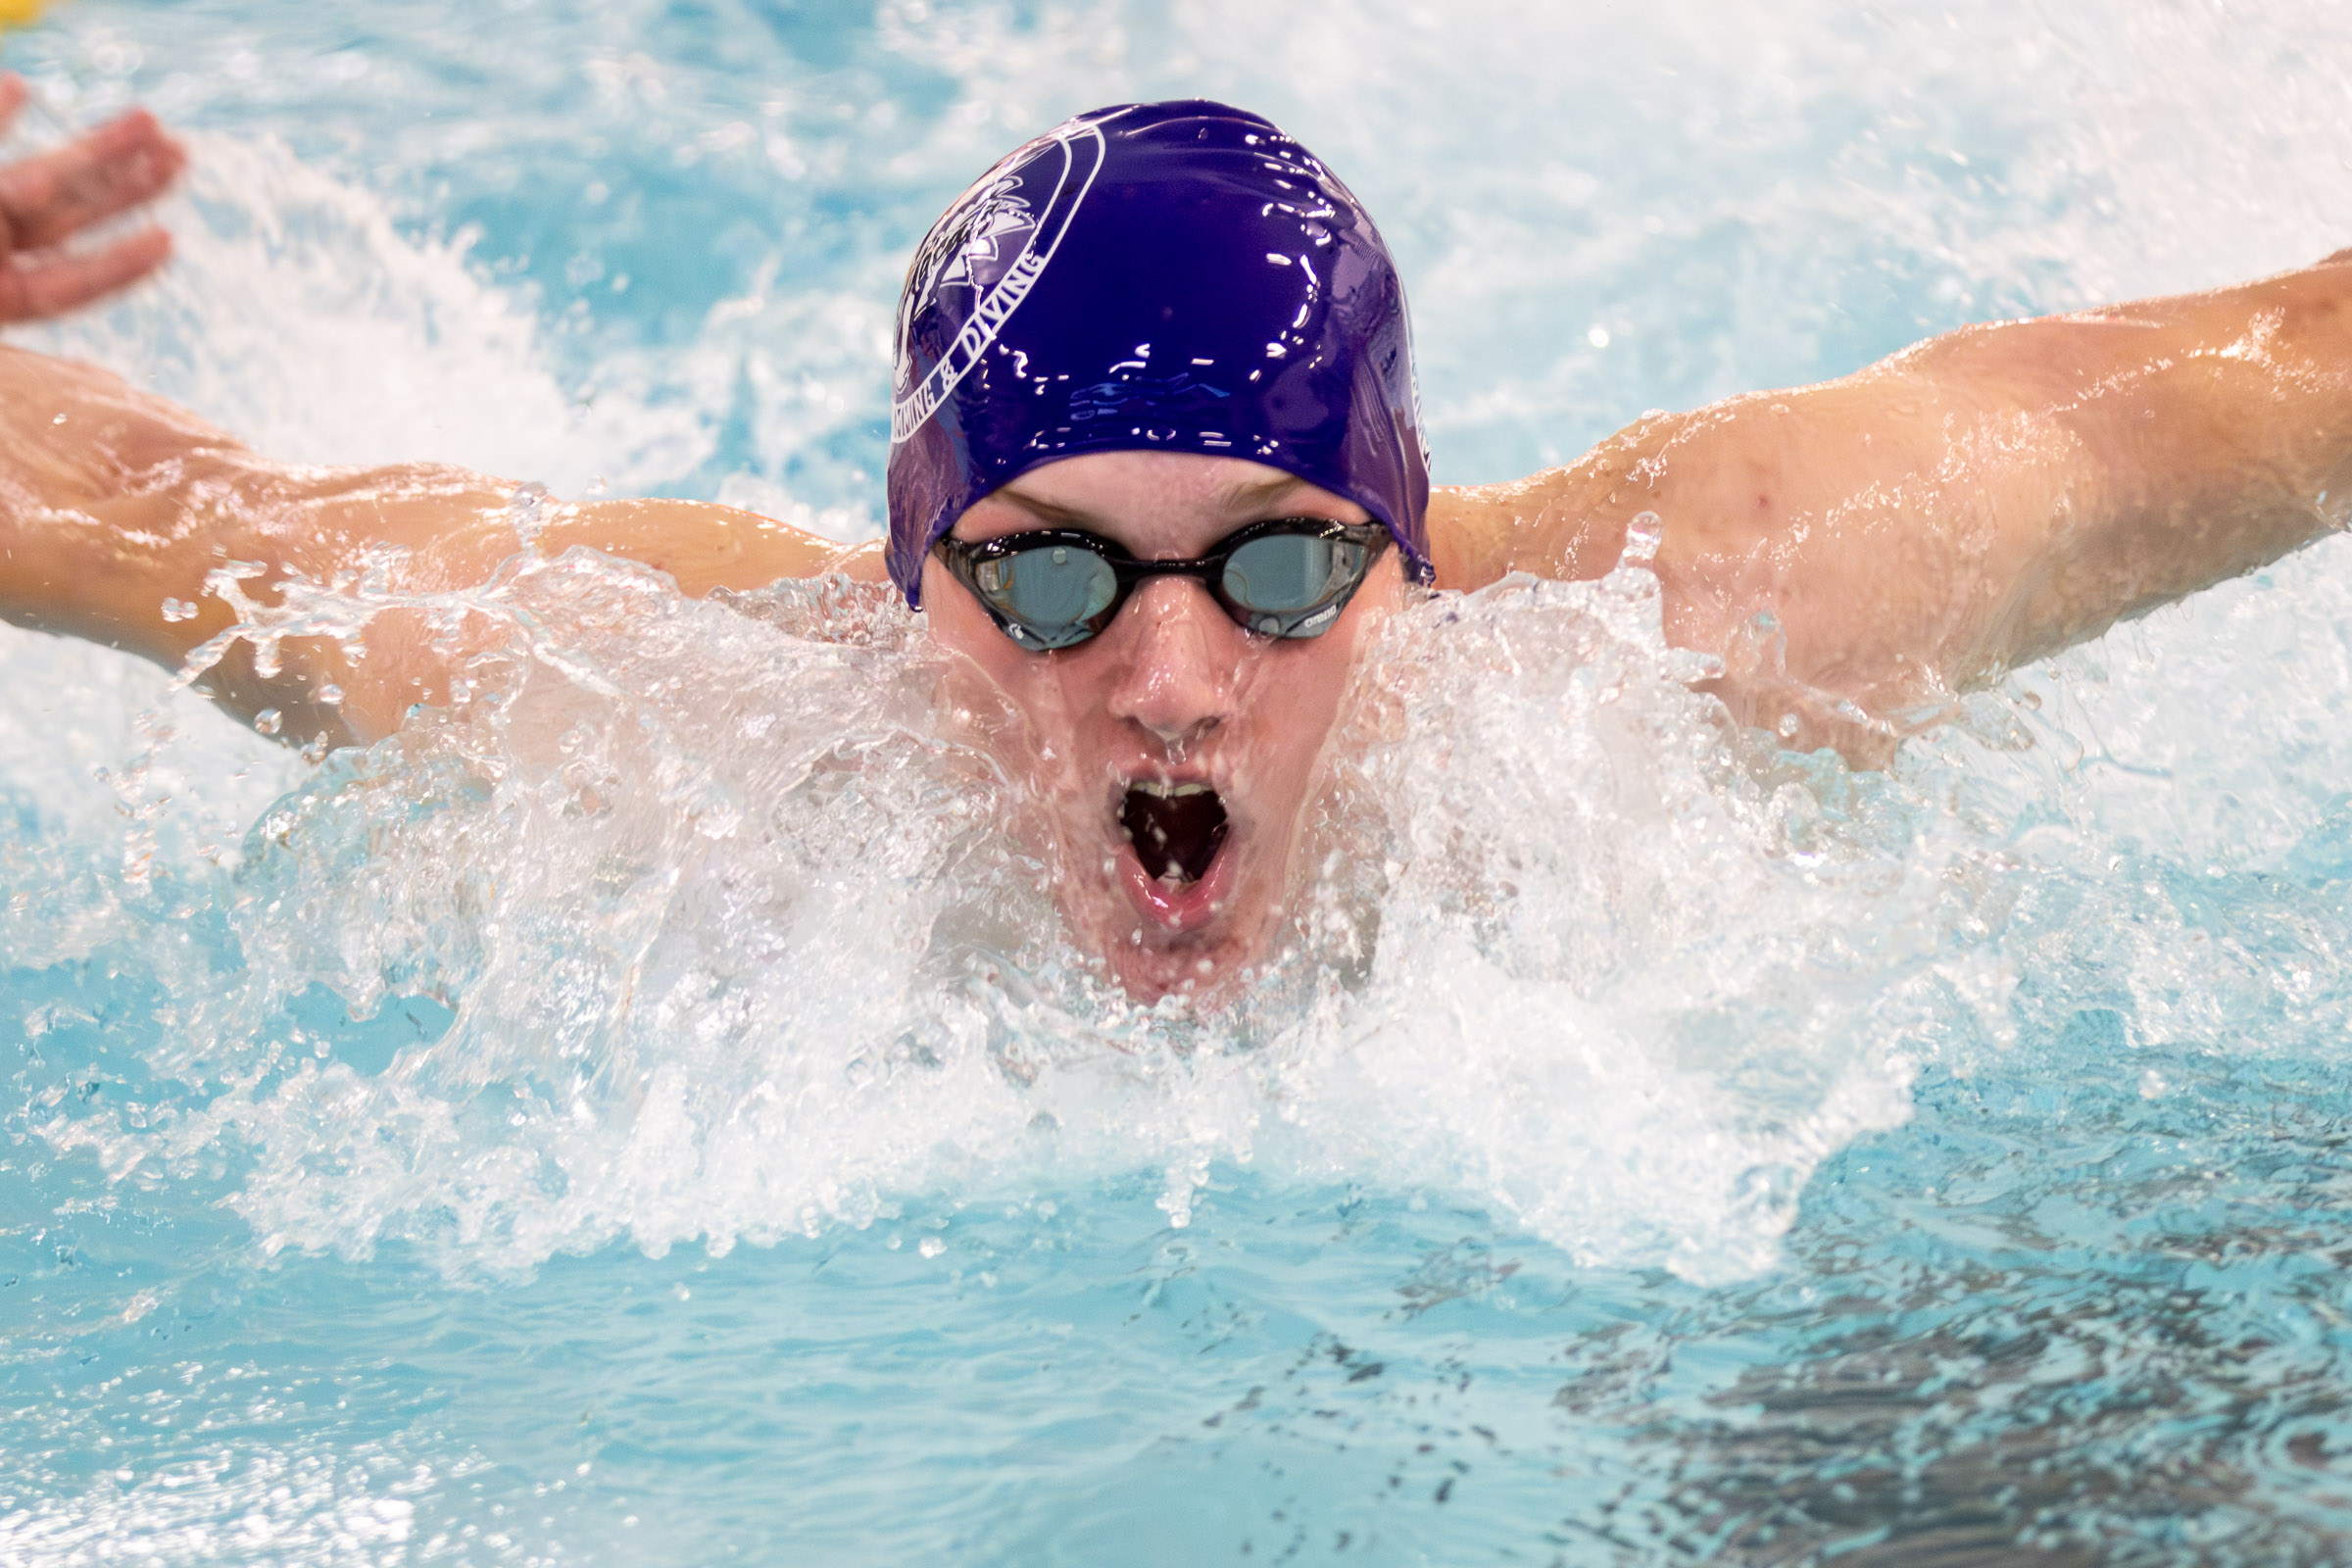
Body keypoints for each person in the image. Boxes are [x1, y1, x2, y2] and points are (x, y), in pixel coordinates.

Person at [2, 93, 2348, 1002]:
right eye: (1042, 576)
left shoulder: (1712, 603)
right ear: (901, 567)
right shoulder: (635, 687)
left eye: (1281, 566)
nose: (1170, 684)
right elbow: (137, 510)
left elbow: (2298, 362)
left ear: (1412, 551)